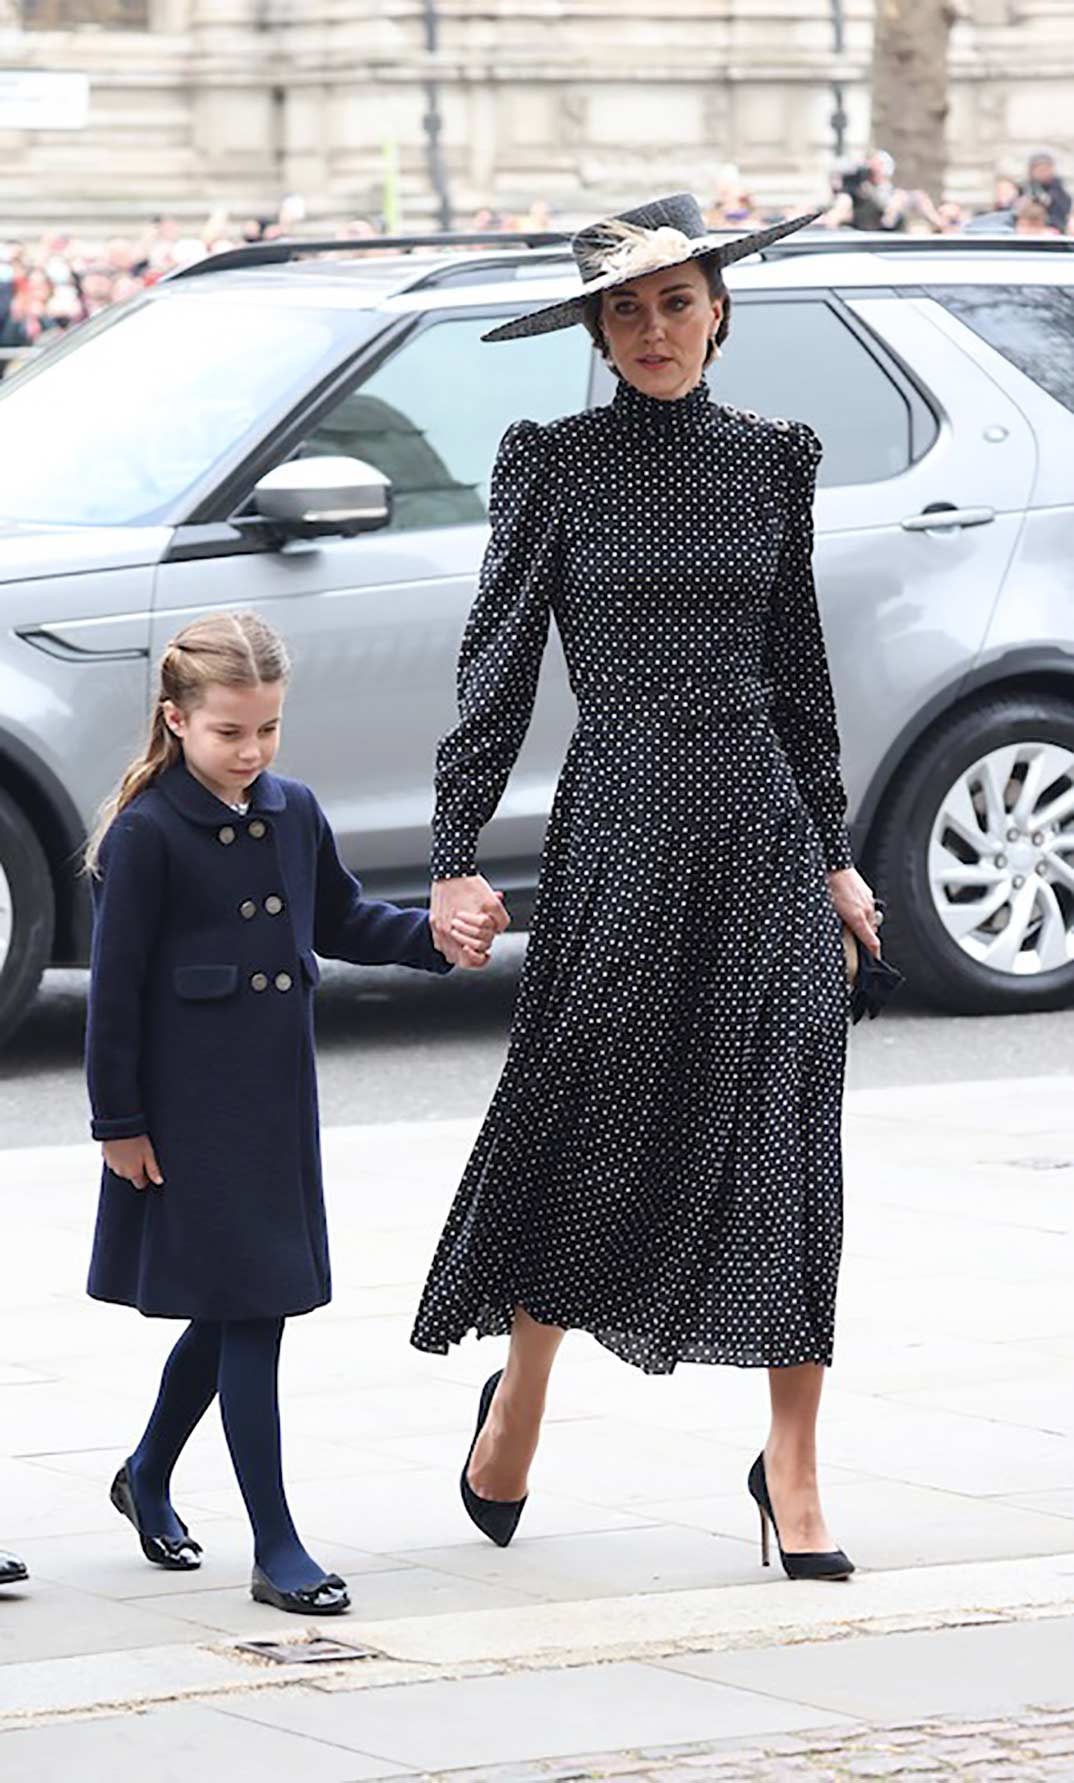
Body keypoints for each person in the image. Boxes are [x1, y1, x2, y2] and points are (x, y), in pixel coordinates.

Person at [412, 192, 881, 1581]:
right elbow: (493, 673)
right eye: (626, 308)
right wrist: (452, 853)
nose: (655, 328)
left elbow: (795, 671)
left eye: (677, 300)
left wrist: (838, 852)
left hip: (761, 828)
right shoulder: (552, 463)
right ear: (595, 332)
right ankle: (523, 1392)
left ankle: (790, 1462)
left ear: (720, 309)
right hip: (618, 825)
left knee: (791, 1118)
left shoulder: (772, 461)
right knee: (593, 1114)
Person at [83, 611, 495, 1615]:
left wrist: (437, 940)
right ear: (176, 720)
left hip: (272, 1105)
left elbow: (342, 916)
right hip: (187, 1118)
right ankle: (278, 1546)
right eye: (230, 731)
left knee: (238, 1304)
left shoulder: (293, 808)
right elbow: (113, 991)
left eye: (266, 728)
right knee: (255, 1309)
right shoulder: (146, 833)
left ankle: (145, 1471)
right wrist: (118, 1124)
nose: (251, 750)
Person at [1025, 151, 1071, 234]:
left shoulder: (1060, 192)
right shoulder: (1024, 189)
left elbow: (1063, 212)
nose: (1042, 173)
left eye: (1046, 169)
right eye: (1039, 169)